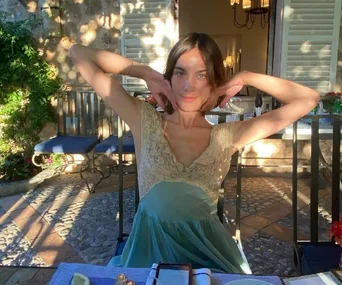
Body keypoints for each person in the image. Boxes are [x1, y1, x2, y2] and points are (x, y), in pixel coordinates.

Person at [70, 33, 319, 273]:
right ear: (169, 76)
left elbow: (307, 99)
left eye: (202, 74)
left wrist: (247, 77)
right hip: (148, 259)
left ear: (214, 81)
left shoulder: (227, 136)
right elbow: (79, 53)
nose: (189, 85)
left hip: (208, 260)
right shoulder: (143, 119)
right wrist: (142, 71)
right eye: (180, 73)